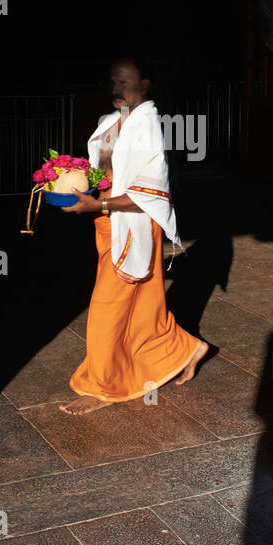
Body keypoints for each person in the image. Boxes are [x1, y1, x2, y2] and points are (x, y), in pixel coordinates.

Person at [59, 57, 210, 414]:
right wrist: (73, 181)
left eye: (125, 83)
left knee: (106, 307)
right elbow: (104, 174)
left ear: (145, 86)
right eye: (113, 82)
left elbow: (150, 191)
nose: (117, 89)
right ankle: (187, 348)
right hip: (108, 221)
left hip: (132, 223)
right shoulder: (110, 123)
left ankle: (102, 386)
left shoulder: (147, 129)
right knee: (142, 303)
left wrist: (97, 207)